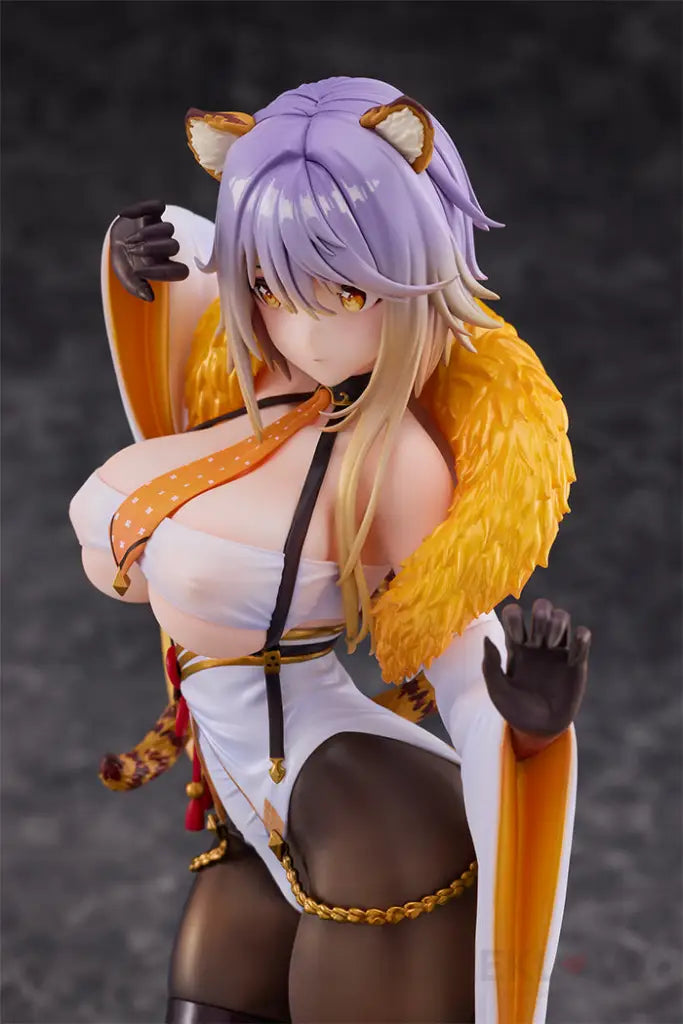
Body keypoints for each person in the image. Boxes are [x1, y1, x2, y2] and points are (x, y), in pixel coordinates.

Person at [68, 77, 590, 1024]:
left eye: (346, 291)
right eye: (270, 287)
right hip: (248, 807)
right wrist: (139, 264)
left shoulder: (388, 463)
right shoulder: (244, 389)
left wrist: (529, 731)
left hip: (372, 824)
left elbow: (452, 642)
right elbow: (183, 282)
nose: (303, 326)